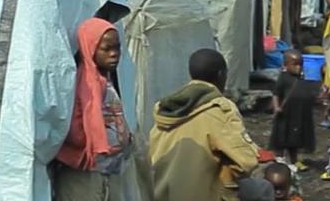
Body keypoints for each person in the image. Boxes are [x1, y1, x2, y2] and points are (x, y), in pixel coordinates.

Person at [151, 49, 260, 201]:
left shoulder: (166, 109)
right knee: (263, 189)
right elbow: (247, 161)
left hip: (161, 194)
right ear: (221, 75)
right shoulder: (219, 109)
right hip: (204, 194)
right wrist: (225, 174)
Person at [54, 19, 133, 200]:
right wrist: (91, 145)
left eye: (117, 48)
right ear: (90, 48)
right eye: (106, 49)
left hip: (107, 171)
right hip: (85, 174)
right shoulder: (86, 85)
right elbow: (74, 129)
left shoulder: (108, 80)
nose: (114, 54)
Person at [270, 50, 319, 170]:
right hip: (286, 114)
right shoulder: (283, 78)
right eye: (295, 64)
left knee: (295, 138)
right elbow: (276, 94)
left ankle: (294, 160)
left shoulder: (303, 78)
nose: (299, 67)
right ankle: (280, 158)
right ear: (286, 65)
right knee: (282, 135)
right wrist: (276, 108)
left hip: (298, 114)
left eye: (301, 64)